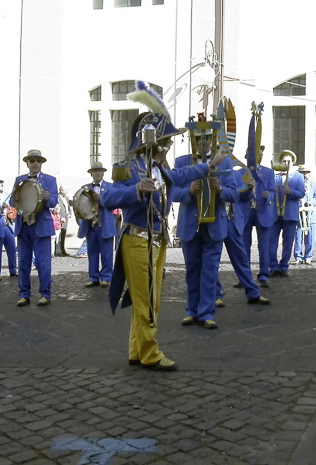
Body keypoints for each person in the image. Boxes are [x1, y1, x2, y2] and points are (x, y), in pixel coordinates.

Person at [102, 111, 227, 370]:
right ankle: (150, 354)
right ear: (154, 143)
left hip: (157, 240)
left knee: (148, 297)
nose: (169, 147)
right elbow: (108, 198)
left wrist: (210, 165)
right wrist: (135, 189)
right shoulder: (130, 168)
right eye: (166, 142)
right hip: (137, 238)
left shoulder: (162, 169)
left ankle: (136, 349)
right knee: (147, 299)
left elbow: (182, 175)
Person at [175, 122, 238, 330]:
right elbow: (172, 192)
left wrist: (221, 190)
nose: (202, 142)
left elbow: (235, 193)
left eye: (206, 138)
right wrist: (188, 191)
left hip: (214, 224)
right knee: (191, 270)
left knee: (210, 271)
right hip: (190, 224)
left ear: (212, 139)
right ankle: (191, 311)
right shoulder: (182, 161)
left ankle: (207, 313)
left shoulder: (225, 162)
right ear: (192, 139)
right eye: (198, 138)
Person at [10, 149, 58, 306]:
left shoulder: (50, 180)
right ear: (27, 163)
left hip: (41, 226)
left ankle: (45, 294)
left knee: (43, 264)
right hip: (23, 226)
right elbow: (12, 202)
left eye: (38, 161)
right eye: (32, 161)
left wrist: (47, 198)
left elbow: (53, 202)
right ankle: (24, 294)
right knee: (23, 263)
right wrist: (16, 198)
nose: (35, 163)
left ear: (42, 163)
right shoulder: (19, 180)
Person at [215, 172, 271, 307]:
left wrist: (249, 189)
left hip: (233, 221)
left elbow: (243, 198)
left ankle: (253, 293)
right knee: (213, 260)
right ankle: (215, 295)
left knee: (242, 259)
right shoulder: (211, 171)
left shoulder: (235, 174)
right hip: (216, 220)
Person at [241, 145, 275, 287]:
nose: (256, 158)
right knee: (244, 246)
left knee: (264, 246)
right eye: (253, 155)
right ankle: (244, 276)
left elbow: (273, 191)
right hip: (246, 212)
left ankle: (264, 275)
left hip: (263, 211)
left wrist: (269, 196)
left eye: (259, 155)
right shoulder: (241, 172)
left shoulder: (268, 172)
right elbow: (237, 192)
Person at [77, 162, 115, 288]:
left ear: (103, 173)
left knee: (107, 253)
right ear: (91, 174)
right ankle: (93, 278)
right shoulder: (85, 188)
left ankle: (106, 277)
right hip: (90, 226)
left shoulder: (110, 187)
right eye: (95, 171)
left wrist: (101, 200)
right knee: (92, 253)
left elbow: (113, 203)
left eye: (99, 171)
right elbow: (80, 206)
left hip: (105, 225)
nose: (97, 173)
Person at [269, 150, 304, 277]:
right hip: (275, 215)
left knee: (288, 243)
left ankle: (284, 266)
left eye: (288, 161)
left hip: (290, 215)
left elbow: (301, 193)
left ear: (292, 163)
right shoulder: (274, 176)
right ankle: (273, 266)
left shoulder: (298, 177)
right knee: (271, 242)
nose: (286, 163)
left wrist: (290, 192)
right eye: (284, 161)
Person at [293, 165, 316, 265]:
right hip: (298, 214)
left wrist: (311, 202)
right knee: (298, 237)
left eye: (306, 173)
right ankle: (298, 257)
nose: (305, 175)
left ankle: (308, 256)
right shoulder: (295, 185)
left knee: (310, 237)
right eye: (302, 173)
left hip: (310, 215)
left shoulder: (313, 184)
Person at [0, 179, 18, 280]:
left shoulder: (6, 194)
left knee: (12, 248)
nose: (2, 185)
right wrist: (1, 208)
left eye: (2, 184)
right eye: (0, 184)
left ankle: (13, 270)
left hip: (8, 224)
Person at [56, 186, 71, 256]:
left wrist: (69, 213)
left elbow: (68, 206)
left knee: (63, 233)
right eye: (66, 190)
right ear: (61, 190)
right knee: (58, 235)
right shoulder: (57, 197)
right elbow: (56, 208)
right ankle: (58, 251)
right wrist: (60, 217)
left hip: (66, 217)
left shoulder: (66, 198)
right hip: (59, 218)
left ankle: (62, 249)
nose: (67, 192)